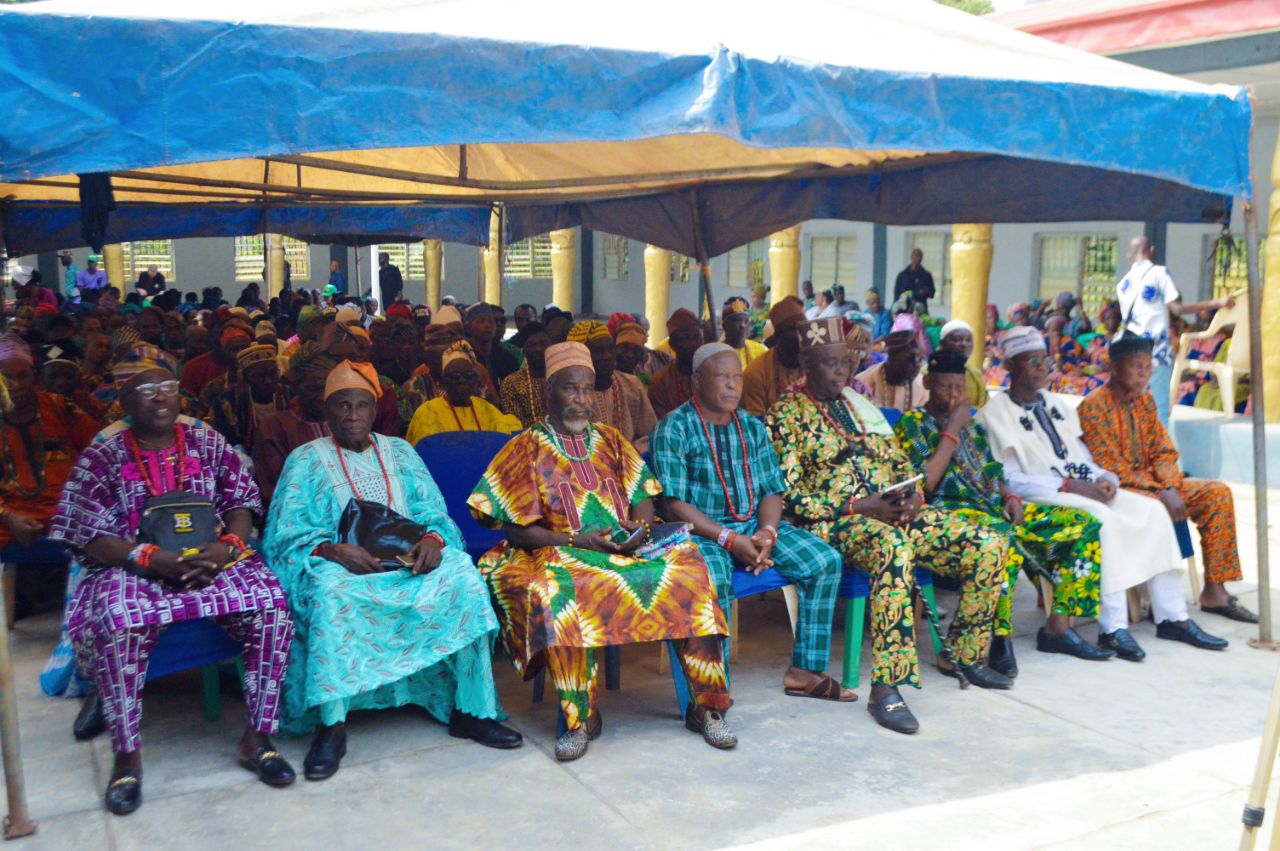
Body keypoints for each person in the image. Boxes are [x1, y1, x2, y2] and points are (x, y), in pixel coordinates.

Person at [468, 342, 735, 761]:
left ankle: (706, 708)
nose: (581, 400)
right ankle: (580, 719)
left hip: (621, 548)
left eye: (588, 389)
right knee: (560, 591)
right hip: (555, 549)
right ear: (548, 390)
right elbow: (516, 532)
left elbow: (643, 492)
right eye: (570, 389)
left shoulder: (610, 440)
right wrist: (577, 541)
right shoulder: (525, 447)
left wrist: (641, 526)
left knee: (692, 573)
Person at [53, 356, 296, 814]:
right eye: (147, 390)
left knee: (270, 603)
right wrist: (151, 558)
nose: (161, 396)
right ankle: (127, 760)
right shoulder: (103, 454)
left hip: (212, 559)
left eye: (167, 386)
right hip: (134, 567)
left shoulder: (205, 439)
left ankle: (257, 738)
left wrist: (229, 545)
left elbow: (241, 499)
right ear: (124, 402)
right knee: (120, 619)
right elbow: (87, 532)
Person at [265, 359, 521, 781]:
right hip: (343, 567)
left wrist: (433, 542)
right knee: (329, 593)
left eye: (361, 405)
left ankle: (471, 710)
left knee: (463, 578)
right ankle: (333, 726)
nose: (351, 415)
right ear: (326, 413)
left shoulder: (400, 451)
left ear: (375, 410)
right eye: (342, 406)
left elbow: (433, 513)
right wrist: (331, 549)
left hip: (407, 563)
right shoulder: (305, 460)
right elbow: (284, 535)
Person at [765, 318, 1008, 734]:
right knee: (892, 548)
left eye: (847, 362)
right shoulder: (785, 415)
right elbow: (791, 498)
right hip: (836, 521)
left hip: (890, 510)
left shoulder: (861, 407)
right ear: (807, 363)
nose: (842, 371)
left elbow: (901, 465)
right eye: (830, 363)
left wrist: (911, 497)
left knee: (986, 541)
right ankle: (887, 686)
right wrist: (861, 506)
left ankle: (963, 654)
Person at [977, 327, 1227, 661]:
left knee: (1152, 512)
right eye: (1031, 361)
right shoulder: (993, 415)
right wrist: (1068, 486)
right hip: (1044, 494)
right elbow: (1009, 479)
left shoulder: (1057, 404)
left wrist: (1103, 478)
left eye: (1045, 360)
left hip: (1078, 486)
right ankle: (1112, 628)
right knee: (1103, 521)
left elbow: (1079, 456)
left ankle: (1173, 616)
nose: (1041, 367)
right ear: (1009, 366)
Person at [651, 343, 850, 700]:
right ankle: (713, 689)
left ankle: (804, 670)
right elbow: (673, 504)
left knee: (825, 561)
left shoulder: (751, 427)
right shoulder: (674, 427)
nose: (732, 386)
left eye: (737, 377)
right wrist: (729, 539)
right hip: (700, 534)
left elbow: (772, 489)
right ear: (697, 382)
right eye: (722, 377)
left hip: (752, 528)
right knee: (711, 578)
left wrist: (768, 532)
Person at [896, 349, 1110, 678]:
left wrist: (1009, 494)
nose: (952, 396)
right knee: (1001, 537)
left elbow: (995, 473)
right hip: (950, 513)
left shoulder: (974, 428)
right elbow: (926, 482)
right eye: (943, 387)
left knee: (1083, 525)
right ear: (927, 383)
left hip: (992, 507)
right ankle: (999, 636)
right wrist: (952, 430)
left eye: (958, 388)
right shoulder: (913, 423)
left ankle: (1058, 627)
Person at [1078, 335, 1256, 623]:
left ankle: (1215, 591)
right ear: (1113, 368)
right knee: (1159, 507)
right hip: (1122, 491)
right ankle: (1162, 602)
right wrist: (1162, 492)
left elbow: (1164, 450)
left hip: (1157, 485)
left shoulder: (1145, 401)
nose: (1144, 373)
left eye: (1148, 367)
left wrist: (1170, 485)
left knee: (1216, 493)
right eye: (1136, 366)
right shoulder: (1093, 406)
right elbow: (1109, 466)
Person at [1115, 236, 1233, 428]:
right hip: (1156, 351)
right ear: (1151, 250)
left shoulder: (1123, 284)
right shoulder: (1159, 273)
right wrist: (1217, 303)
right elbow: (1177, 309)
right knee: (1160, 407)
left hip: (1130, 352)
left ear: (1129, 255)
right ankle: (1163, 458)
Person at [253, 344, 335, 503]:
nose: (321, 397)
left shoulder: (346, 422)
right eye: (313, 389)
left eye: (326, 388)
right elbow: (275, 487)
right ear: (297, 387)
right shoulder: (275, 427)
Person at [568, 320, 657, 453]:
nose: (607, 357)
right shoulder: (568, 393)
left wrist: (630, 455)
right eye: (598, 351)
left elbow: (650, 433)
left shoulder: (631, 385)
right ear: (580, 356)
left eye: (610, 350)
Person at [405, 347, 522, 443]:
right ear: (443, 382)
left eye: (468, 375)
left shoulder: (487, 409)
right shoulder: (428, 412)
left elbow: (508, 439)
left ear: (476, 381)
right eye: (454, 376)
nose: (461, 380)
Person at [212, 343, 286, 453]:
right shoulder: (228, 404)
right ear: (245, 378)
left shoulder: (289, 395)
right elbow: (227, 443)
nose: (268, 380)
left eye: (273, 373)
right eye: (259, 376)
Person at [741, 297, 805, 416]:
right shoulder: (756, 372)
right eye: (793, 330)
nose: (800, 336)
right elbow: (756, 425)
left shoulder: (815, 366)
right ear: (778, 337)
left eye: (804, 330)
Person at [647, 308, 704, 419]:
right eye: (685, 339)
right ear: (672, 344)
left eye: (697, 337)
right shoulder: (661, 382)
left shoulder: (713, 374)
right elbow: (665, 424)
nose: (693, 344)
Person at [856, 329, 928, 411]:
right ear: (892, 356)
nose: (917, 365)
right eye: (910, 358)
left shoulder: (924, 387)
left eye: (920, 359)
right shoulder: (862, 384)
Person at [500, 322, 552, 428]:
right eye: (531, 345)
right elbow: (515, 425)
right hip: (527, 441)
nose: (538, 349)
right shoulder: (512, 383)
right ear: (523, 349)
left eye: (543, 344)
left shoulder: (562, 379)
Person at [464, 302, 520, 384]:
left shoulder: (507, 358)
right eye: (481, 321)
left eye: (491, 321)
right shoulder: (465, 357)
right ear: (469, 328)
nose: (487, 325)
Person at [938, 319, 988, 407]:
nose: (964, 344)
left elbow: (986, 407)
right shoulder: (928, 373)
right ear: (942, 344)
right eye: (957, 340)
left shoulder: (974, 374)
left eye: (968, 340)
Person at [613, 319, 670, 386]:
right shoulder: (605, 378)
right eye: (624, 348)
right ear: (615, 348)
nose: (630, 355)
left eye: (635, 351)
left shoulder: (662, 358)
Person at [721, 296, 766, 370]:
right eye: (736, 320)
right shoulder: (717, 354)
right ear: (725, 326)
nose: (742, 325)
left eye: (746, 321)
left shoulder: (760, 351)